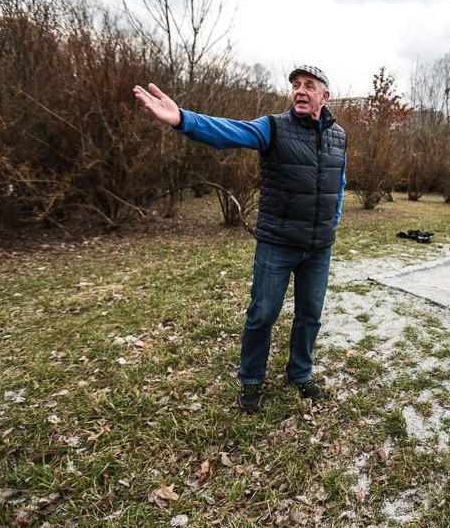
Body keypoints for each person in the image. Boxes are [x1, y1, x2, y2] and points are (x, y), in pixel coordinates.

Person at [133, 64, 347, 412]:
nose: (300, 91)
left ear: (325, 95)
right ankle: (251, 380)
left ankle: (300, 374)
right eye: (295, 85)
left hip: (318, 247)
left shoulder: (339, 136)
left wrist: (333, 222)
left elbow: (339, 184)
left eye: (309, 85)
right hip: (277, 243)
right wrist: (183, 120)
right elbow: (229, 131)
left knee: (310, 315)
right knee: (262, 315)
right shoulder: (273, 128)